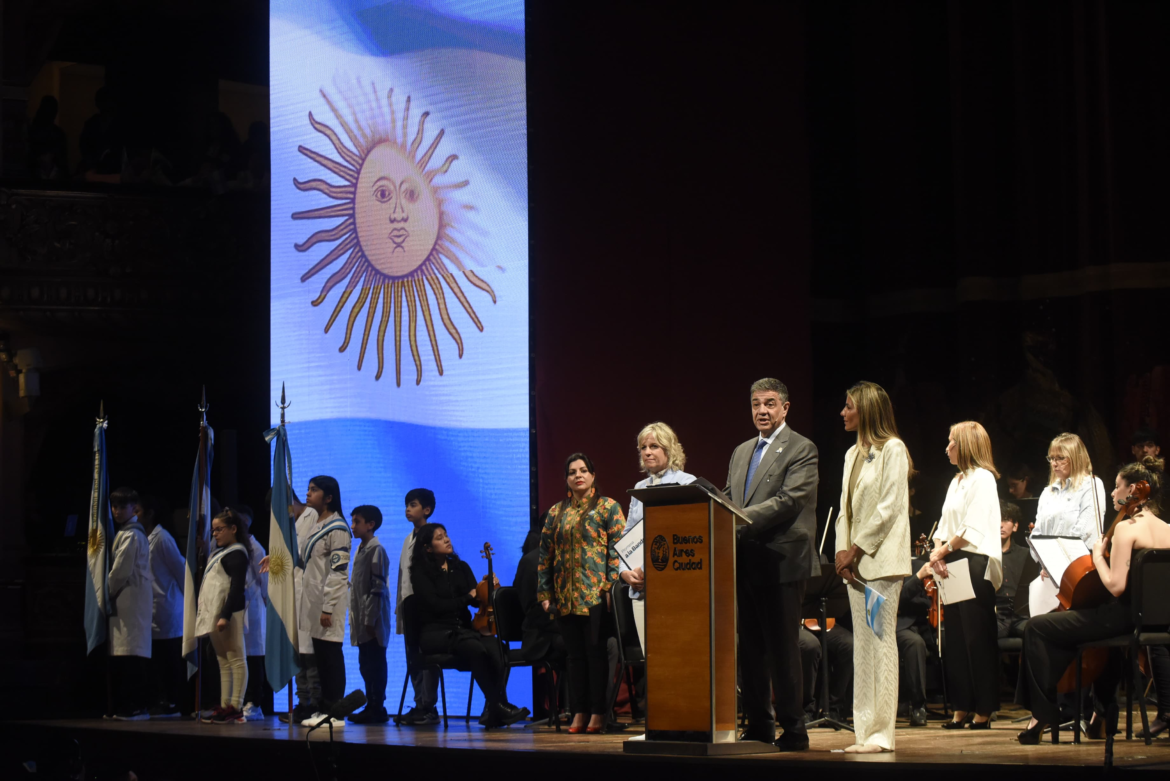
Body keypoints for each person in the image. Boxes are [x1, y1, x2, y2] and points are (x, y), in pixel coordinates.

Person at [1017, 461, 1170, 744]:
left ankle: (1043, 714)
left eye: (1117, 486)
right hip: (1151, 621)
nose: (1112, 493)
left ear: (1133, 489)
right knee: (1095, 639)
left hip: (1120, 618)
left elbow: (1115, 586)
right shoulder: (1167, 529)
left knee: (1037, 628)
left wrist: (1099, 555)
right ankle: (1101, 711)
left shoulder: (1126, 529)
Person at [725, 378, 819, 751]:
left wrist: (739, 518)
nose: (761, 410)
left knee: (782, 648)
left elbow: (789, 500)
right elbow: (729, 498)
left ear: (785, 408)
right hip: (745, 561)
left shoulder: (801, 448)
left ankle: (794, 729)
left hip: (781, 561)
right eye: (755, 404)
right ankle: (760, 726)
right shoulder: (740, 451)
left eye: (769, 403)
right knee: (750, 650)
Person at [833, 381, 913, 752]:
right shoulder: (852, 455)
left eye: (849, 406)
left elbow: (890, 506)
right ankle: (864, 732)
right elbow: (844, 512)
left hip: (880, 564)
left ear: (865, 410)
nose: (843, 412)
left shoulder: (892, 449)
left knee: (881, 642)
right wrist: (841, 553)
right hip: (855, 565)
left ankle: (883, 734)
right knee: (862, 647)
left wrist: (858, 550)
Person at [538, 453, 626, 734]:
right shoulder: (555, 512)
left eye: (584, 470)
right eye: (573, 471)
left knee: (596, 654)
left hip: (597, 597)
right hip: (565, 597)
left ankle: (599, 712)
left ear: (593, 475)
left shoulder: (608, 508)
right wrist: (545, 593)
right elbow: (544, 556)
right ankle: (579, 712)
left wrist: (610, 586)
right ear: (566, 478)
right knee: (574, 657)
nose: (578, 475)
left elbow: (618, 550)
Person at [411, 523, 529, 728]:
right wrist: (468, 596)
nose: (446, 539)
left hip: (463, 630)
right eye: (439, 538)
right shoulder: (420, 573)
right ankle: (499, 705)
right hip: (436, 632)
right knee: (475, 648)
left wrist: (487, 587)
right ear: (428, 547)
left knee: (497, 648)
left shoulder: (461, 567)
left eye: (446, 535)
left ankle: (492, 710)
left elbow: (476, 601)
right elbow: (436, 607)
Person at [925, 421, 1002, 729]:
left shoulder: (983, 479)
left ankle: (984, 708)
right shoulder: (956, 480)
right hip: (951, 561)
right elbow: (943, 526)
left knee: (976, 638)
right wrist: (937, 551)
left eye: (952, 442)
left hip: (973, 561)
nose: (947, 448)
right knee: (954, 638)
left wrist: (941, 553)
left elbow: (972, 527)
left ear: (967, 445)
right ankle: (961, 707)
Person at [619, 422, 695, 643]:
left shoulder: (686, 483)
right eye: (643, 447)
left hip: (673, 590)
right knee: (650, 662)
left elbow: (684, 537)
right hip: (641, 590)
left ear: (669, 449)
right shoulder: (639, 488)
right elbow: (628, 536)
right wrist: (625, 572)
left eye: (654, 446)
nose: (647, 452)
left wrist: (648, 568)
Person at [296, 476, 351, 729]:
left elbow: (338, 572)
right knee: (321, 657)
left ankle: (334, 710)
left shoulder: (337, 527)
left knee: (330, 657)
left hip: (329, 604)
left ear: (328, 497)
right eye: (308, 489)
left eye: (314, 490)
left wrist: (328, 607)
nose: (308, 494)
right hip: (314, 602)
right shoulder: (316, 523)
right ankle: (323, 708)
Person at [195, 509, 251, 724]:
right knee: (223, 660)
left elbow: (237, 588)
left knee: (236, 659)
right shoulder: (221, 552)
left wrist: (225, 616)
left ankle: (236, 706)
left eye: (220, 530)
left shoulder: (237, 553)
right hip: (215, 613)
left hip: (229, 614)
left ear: (233, 529)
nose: (215, 534)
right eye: (213, 531)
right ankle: (225, 704)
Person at [107, 487, 153, 720]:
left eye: (121, 506)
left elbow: (120, 572)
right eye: (114, 506)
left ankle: (135, 706)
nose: (116, 511)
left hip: (131, 600)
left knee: (132, 655)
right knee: (125, 655)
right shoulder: (125, 532)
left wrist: (105, 592)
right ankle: (125, 705)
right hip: (125, 601)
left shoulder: (132, 534)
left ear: (133, 508)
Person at [396, 488, 440, 726]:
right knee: (413, 657)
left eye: (412, 505)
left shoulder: (432, 536)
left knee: (427, 657)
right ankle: (419, 702)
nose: (407, 509)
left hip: (424, 606)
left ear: (426, 510)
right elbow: (402, 576)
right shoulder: (407, 539)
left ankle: (429, 706)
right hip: (409, 605)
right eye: (406, 505)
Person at [141, 495, 184, 718]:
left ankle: (173, 703)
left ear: (150, 514)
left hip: (168, 607)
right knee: (157, 660)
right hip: (153, 609)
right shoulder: (144, 537)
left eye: (138, 511)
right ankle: (161, 700)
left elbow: (181, 570)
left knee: (170, 659)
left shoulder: (162, 538)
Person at [348, 505, 392, 724]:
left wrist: (369, 619)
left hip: (372, 621)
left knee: (375, 662)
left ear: (370, 524)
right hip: (362, 619)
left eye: (357, 521)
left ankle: (377, 705)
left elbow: (377, 587)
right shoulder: (361, 549)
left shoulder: (376, 549)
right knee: (365, 663)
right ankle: (371, 703)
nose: (353, 526)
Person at [1033, 433, 1106, 555]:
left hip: (1077, 565)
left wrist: (1055, 560)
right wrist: (1044, 560)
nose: (1054, 464)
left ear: (1076, 458)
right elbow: (1036, 533)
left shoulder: (1091, 485)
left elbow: (1086, 532)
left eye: (1060, 458)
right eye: (1051, 458)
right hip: (1047, 568)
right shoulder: (1047, 492)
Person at [235, 505, 269, 719]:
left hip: (253, 606)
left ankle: (255, 702)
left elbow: (263, 580)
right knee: (239, 656)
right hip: (237, 608)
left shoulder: (255, 548)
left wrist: (265, 604)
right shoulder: (231, 547)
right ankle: (238, 700)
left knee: (254, 655)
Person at [896, 560, 934, 727]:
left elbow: (926, 602)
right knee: (914, 643)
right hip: (890, 624)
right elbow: (896, 598)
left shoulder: (918, 564)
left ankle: (919, 706)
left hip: (915, 625)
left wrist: (907, 600)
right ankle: (915, 705)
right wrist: (917, 578)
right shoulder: (880, 565)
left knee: (916, 643)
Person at [797, 620, 854, 723]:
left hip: (825, 624)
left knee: (849, 645)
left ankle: (833, 709)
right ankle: (805, 710)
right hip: (797, 624)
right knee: (810, 645)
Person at [997, 501, 1030, 639]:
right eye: (997, 520)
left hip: (1020, 616)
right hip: (996, 615)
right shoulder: (984, 556)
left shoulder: (1026, 554)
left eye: (1005, 520)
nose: (1000, 525)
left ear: (1015, 526)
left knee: (1036, 631)